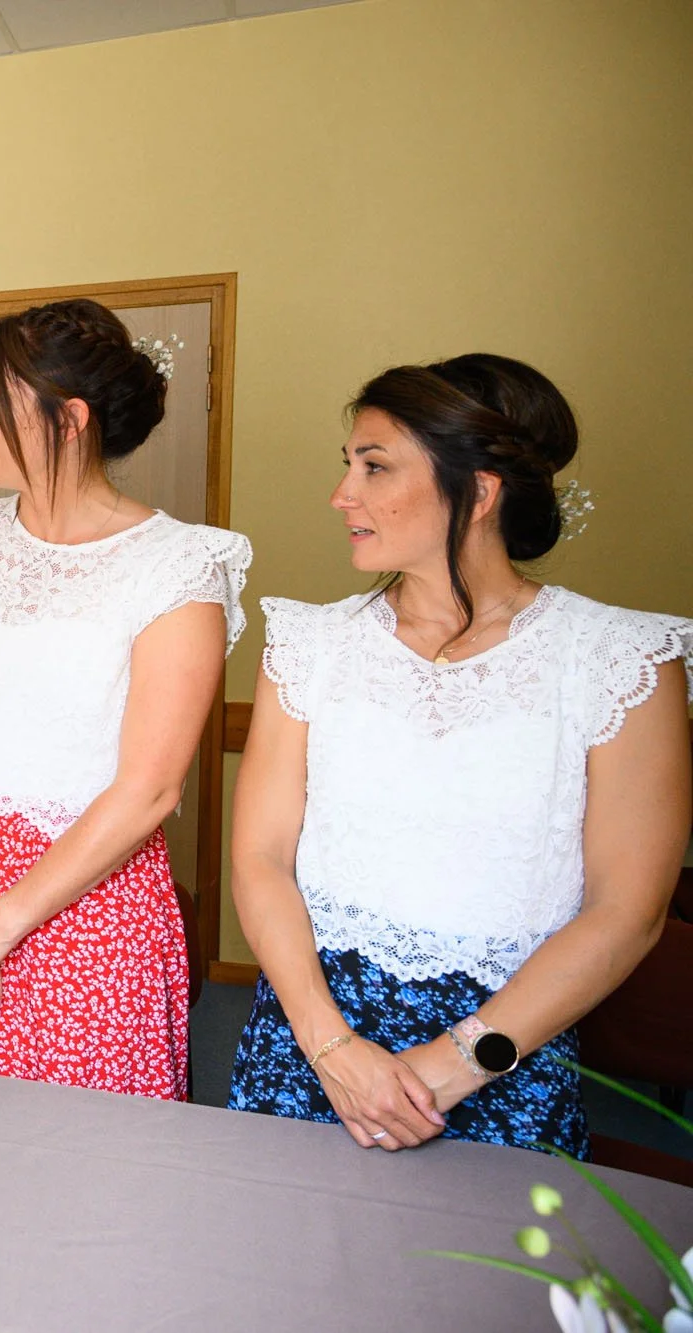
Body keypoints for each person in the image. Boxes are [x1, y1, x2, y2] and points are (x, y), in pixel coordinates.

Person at [227, 354, 690, 1155]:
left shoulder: (621, 659)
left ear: (479, 490)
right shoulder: (309, 644)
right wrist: (332, 1048)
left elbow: (629, 912)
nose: (344, 495)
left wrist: (453, 1066)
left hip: (508, 1048)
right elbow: (260, 856)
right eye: (347, 466)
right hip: (310, 1034)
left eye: (374, 467)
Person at [0, 300, 250, 1098]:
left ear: (69, 418)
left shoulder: (178, 566)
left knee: (83, 1167)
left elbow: (150, 785)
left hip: (86, 901)